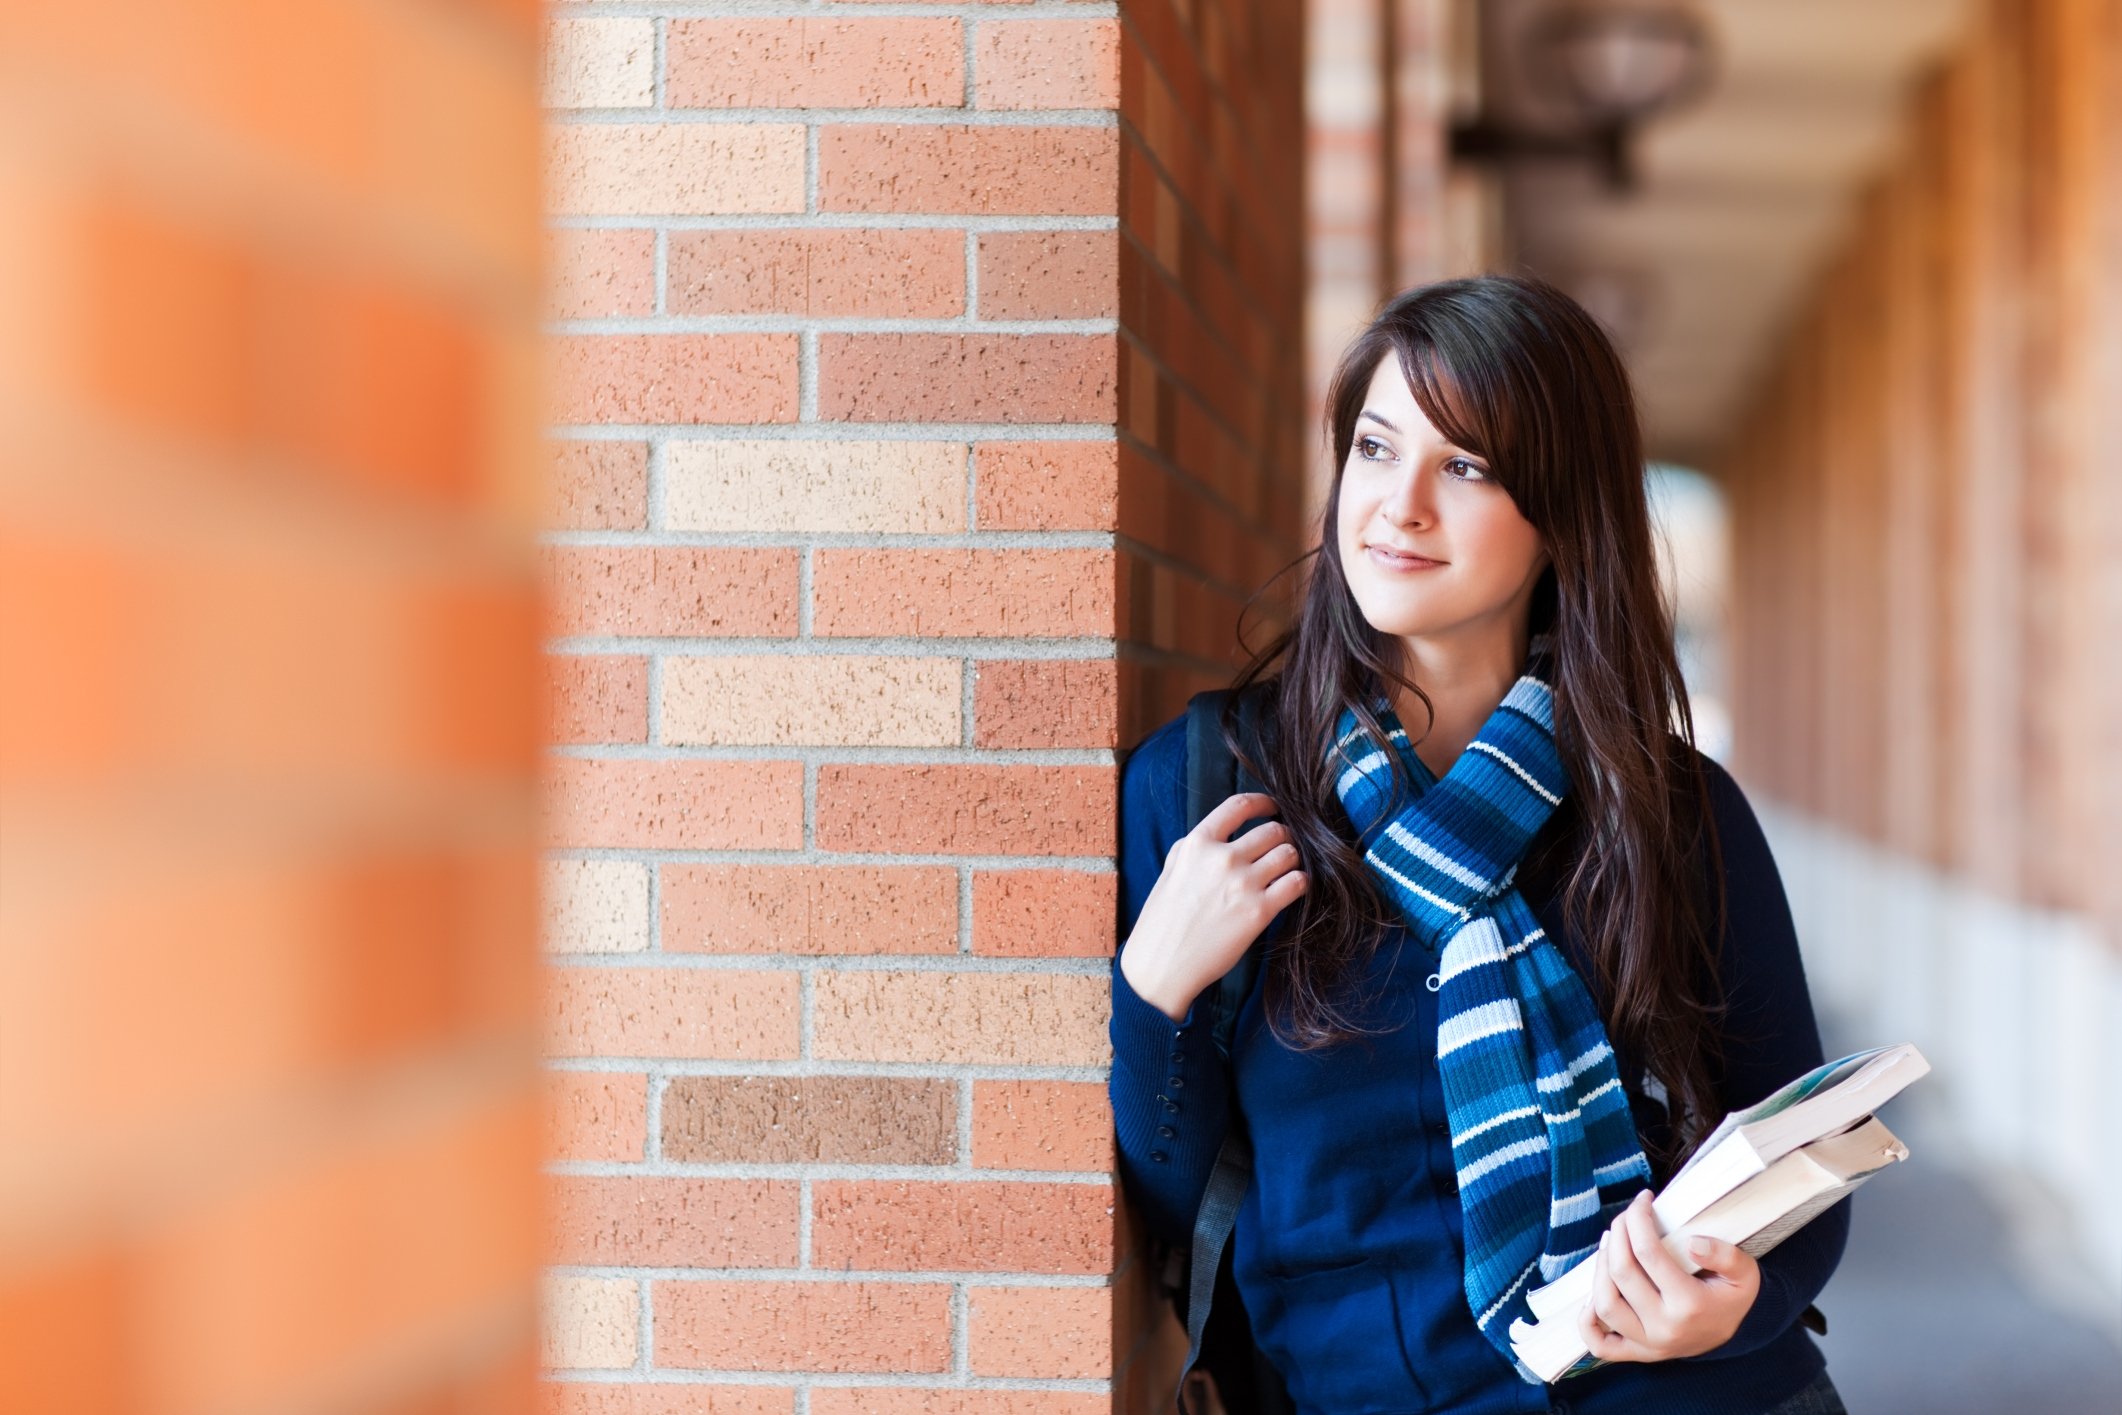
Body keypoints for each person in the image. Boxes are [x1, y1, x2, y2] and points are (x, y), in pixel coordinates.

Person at [1109, 275, 1852, 1415]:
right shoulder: (1215, 788)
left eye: (1466, 467)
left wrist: (1730, 1303)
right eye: (1373, 446)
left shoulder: (1671, 811)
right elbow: (1171, 1202)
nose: (1397, 505)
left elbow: (1802, 1168)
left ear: (1559, 514)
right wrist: (1152, 990)